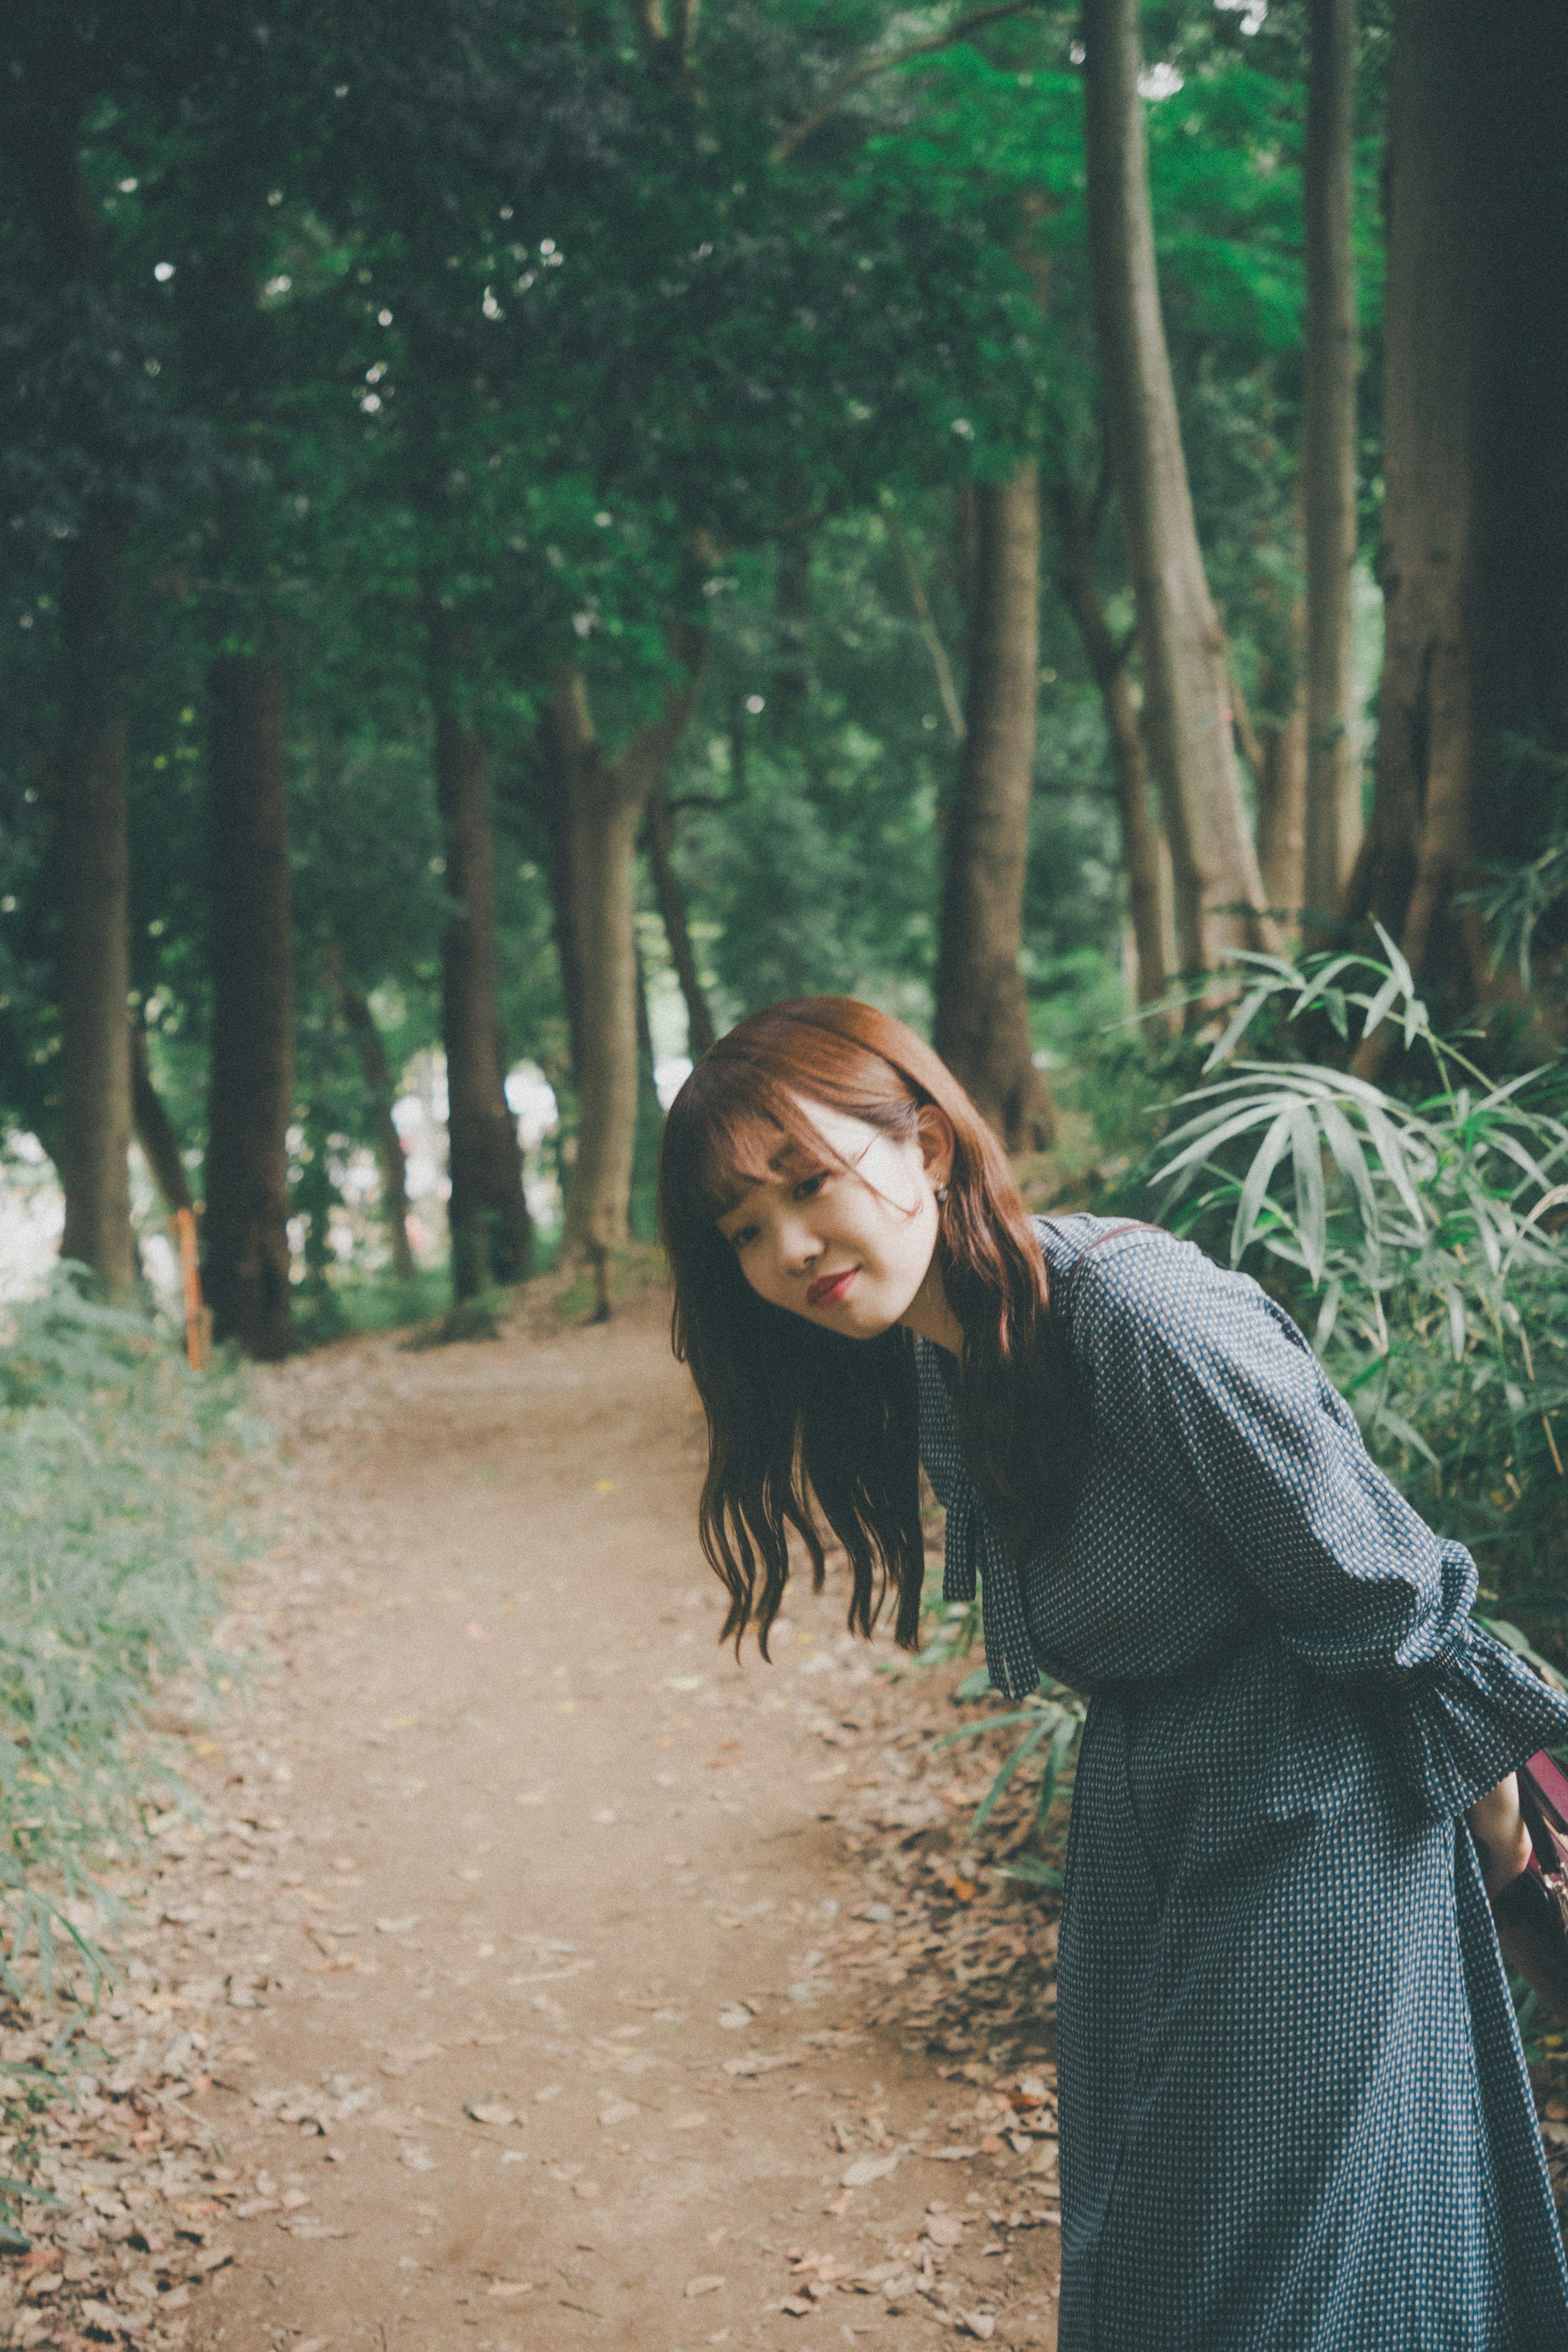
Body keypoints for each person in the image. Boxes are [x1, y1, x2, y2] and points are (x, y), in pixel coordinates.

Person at [657, 994, 1568, 2352]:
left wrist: (1499, 1835)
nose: (788, 1247)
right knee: (1148, 2257)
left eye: (808, 1184)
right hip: (1152, 1825)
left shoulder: (1143, 1313)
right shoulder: (949, 1362)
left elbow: (1379, 1579)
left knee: (1267, 2275)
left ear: (934, 1150)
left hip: (1314, 1810)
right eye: (743, 1231)